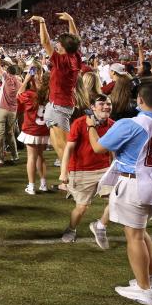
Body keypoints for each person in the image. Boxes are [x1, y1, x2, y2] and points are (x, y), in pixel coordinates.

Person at [86, 78, 152, 305]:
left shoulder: (132, 123)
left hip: (135, 185)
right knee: (141, 232)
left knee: (133, 236)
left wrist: (90, 126)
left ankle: (144, 290)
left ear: (140, 100)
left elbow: (98, 147)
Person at [58, 94, 114, 244]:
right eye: (102, 103)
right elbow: (69, 149)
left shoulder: (113, 124)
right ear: (92, 107)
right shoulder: (80, 123)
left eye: (109, 103)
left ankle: (100, 226)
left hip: (105, 170)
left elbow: (114, 151)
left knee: (117, 200)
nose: (106, 106)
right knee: (82, 208)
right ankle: (71, 228)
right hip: (82, 170)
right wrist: (64, 172)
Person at [30, 13, 82, 162]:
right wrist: (71, 20)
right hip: (59, 105)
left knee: (62, 145)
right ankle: (67, 175)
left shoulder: (62, 61)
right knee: (57, 143)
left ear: (64, 46)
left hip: (59, 106)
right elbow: (75, 39)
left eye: (59, 42)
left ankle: (69, 177)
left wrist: (42, 21)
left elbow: (45, 41)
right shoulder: (75, 56)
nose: (57, 44)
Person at [18, 72, 51, 195]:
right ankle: (43, 184)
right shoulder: (49, 95)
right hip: (43, 130)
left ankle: (31, 186)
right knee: (41, 156)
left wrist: (26, 80)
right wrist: (33, 82)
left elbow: (19, 94)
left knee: (31, 157)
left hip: (31, 130)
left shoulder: (30, 95)